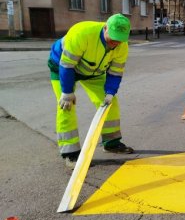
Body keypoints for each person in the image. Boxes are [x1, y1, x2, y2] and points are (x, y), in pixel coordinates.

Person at [48, 13, 133, 168]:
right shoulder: (82, 33)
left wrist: (110, 92)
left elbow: (115, 72)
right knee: (66, 106)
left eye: (120, 39)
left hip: (93, 72)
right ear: (105, 27)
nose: (115, 43)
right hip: (63, 67)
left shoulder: (122, 45)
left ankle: (111, 143)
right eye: (113, 38)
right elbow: (67, 65)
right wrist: (67, 92)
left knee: (110, 104)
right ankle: (71, 153)